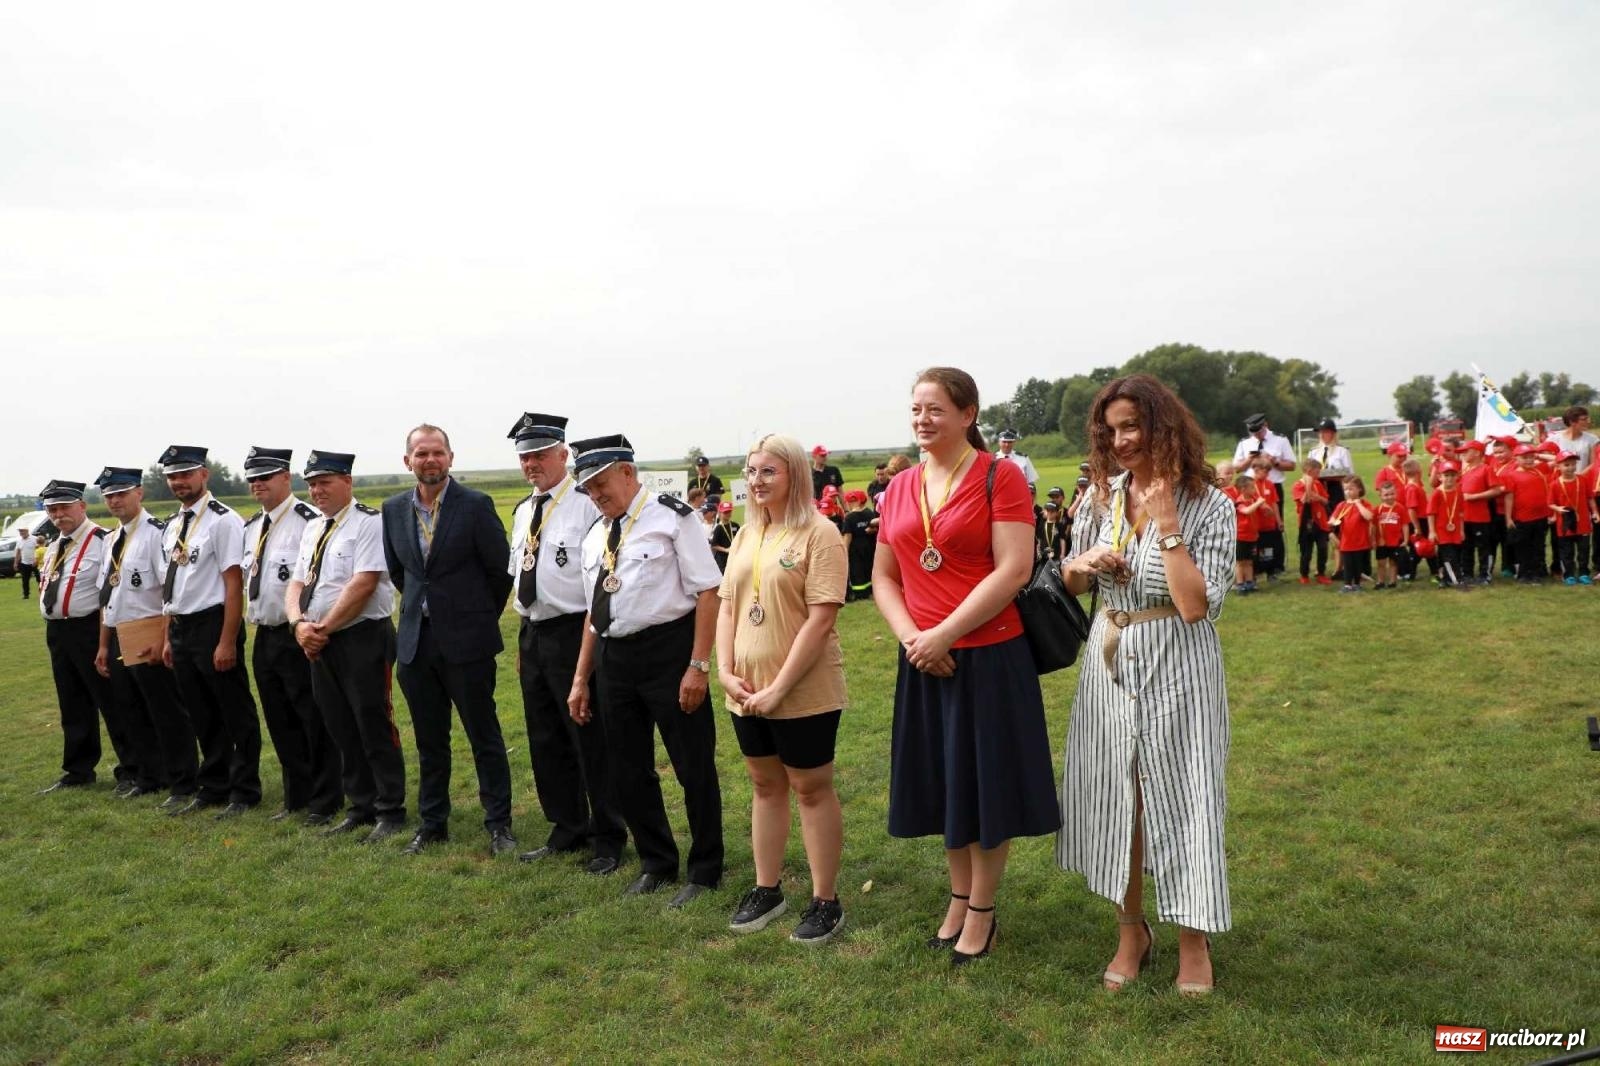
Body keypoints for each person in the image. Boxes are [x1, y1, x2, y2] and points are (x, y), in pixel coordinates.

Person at [873, 367, 1058, 967]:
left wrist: (944, 633)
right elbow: (883, 575)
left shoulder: (998, 477)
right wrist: (912, 639)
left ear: (968, 414)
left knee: (986, 787)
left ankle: (982, 909)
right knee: (946, 786)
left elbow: (1014, 569)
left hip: (987, 656)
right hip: (923, 660)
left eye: (936, 409)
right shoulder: (900, 486)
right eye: (916, 409)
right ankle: (958, 897)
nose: (923, 419)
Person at [1058, 373, 1235, 996]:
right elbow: (1071, 581)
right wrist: (1085, 562)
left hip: (1178, 665)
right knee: (1117, 802)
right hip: (1108, 664)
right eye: (1110, 430)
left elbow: (1195, 606)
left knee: (1186, 798)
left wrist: (1165, 523)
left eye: (1131, 425)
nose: (1121, 440)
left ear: (1163, 425)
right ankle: (1131, 932)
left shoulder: (1211, 505)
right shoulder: (1100, 499)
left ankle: (1193, 937)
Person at [567, 434, 725, 908]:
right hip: (614, 659)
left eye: (600, 483)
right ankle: (657, 861)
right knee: (628, 769)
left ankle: (705, 868)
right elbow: (593, 612)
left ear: (627, 472)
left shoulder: (672, 518)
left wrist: (698, 666)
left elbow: (708, 592)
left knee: (692, 765)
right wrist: (581, 677)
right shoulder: (595, 533)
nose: (596, 495)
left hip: (669, 652)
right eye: (588, 489)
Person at [716, 433, 849, 944]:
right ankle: (766, 888)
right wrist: (724, 670)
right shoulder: (749, 532)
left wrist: (779, 689)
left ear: (795, 474)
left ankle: (825, 900)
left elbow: (820, 620)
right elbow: (728, 604)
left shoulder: (820, 533)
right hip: (745, 689)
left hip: (803, 690)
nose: (756, 481)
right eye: (751, 471)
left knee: (810, 789)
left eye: (768, 471)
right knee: (764, 785)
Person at [382, 425, 517, 857]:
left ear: (451, 458)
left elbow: (500, 572)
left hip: (468, 644)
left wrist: (475, 619)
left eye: (437, 452)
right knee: (429, 740)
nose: (430, 460)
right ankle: (433, 824)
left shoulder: (476, 506)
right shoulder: (392, 509)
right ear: (408, 462)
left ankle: (499, 825)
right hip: (416, 646)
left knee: (485, 737)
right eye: (421, 454)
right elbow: (401, 574)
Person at [505, 413, 627, 874]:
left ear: (562, 454)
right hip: (534, 633)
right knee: (545, 738)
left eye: (540, 453)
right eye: (525, 456)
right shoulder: (522, 512)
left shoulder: (585, 505)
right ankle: (568, 827)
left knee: (589, 736)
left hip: (577, 630)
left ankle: (609, 836)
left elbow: (598, 584)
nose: (532, 463)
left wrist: (584, 660)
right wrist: (523, 645)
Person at [286, 450, 407, 843]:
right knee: (339, 724)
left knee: (373, 723)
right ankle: (361, 805)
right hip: (320, 642)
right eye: (312, 483)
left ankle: (391, 809)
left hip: (362, 638)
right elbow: (297, 583)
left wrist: (320, 627)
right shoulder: (312, 527)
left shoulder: (369, 523)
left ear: (348, 482)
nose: (318, 490)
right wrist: (297, 624)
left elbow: (365, 582)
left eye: (326, 481)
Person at [157, 445, 263, 818]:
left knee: (234, 711)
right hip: (182, 626)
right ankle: (214, 785)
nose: (178, 482)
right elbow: (172, 584)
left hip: (214, 623)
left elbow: (234, 584)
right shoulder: (172, 525)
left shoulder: (223, 520)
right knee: (201, 713)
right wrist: (170, 635)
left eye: (185, 474)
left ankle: (245, 789)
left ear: (204, 474)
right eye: (172, 476)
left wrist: (226, 640)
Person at [239, 447, 342, 826]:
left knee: (312, 718)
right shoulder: (251, 527)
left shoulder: (308, 521)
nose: (258, 484)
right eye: (253, 478)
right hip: (264, 635)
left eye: (265, 476)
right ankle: (296, 795)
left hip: (298, 633)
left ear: (286, 477)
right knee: (280, 719)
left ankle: (325, 798)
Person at [93, 466, 191, 803]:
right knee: (131, 710)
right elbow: (107, 596)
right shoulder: (110, 540)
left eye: (121, 493)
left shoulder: (157, 534)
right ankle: (150, 776)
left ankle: (182, 780)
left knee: (166, 712)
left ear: (140, 493)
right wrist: (104, 645)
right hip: (121, 634)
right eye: (109, 496)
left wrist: (164, 640)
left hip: (151, 632)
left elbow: (169, 592)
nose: (115, 501)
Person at [32, 479, 122, 794]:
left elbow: (107, 593)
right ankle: (78, 769)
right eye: (52, 509)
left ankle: (133, 767)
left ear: (82, 506)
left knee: (111, 700)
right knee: (72, 703)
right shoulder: (56, 544)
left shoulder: (103, 540)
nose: (58, 515)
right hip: (58, 632)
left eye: (64, 507)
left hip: (90, 629)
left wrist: (102, 642)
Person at [1232, 414, 1297, 519]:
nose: (1256, 435)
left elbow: (1292, 466)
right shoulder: (1244, 442)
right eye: (1253, 433)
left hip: (1273, 487)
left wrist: (1274, 461)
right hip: (1250, 488)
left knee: (1274, 521)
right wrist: (1249, 459)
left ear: (1265, 425)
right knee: (1253, 521)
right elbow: (1237, 468)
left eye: (1259, 432)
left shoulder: (1280, 439)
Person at [1502, 444, 1551, 583]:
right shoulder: (1511, 475)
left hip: (1541, 516)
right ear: (1516, 458)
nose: (1529, 460)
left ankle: (1537, 572)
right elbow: (1509, 497)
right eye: (1525, 458)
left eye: (1531, 457)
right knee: (1523, 546)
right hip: (1523, 517)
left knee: (1538, 545)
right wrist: (1508, 517)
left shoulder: (1539, 471)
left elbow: (1555, 460)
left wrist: (1540, 455)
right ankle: (1524, 573)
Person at [1549, 451, 1597, 584]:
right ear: (1558, 466)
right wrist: (1557, 509)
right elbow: (1550, 503)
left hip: (1583, 522)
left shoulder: (1582, 480)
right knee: (1566, 550)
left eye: (1573, 464)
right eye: (1566, 465)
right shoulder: (1555, 484)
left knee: (1584, 550)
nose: (1571, 467)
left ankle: (1583, 573)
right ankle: (1568, 574)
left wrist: (1595, 512)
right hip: (1564, 523)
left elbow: (1590, 498)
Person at [1457, 440, 1500, 583]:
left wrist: (1474, 497)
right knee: (1466, 546)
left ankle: (1484, 574)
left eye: (1466, 451)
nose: (1463, 454)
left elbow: (1496, 490)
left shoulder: (1486, 469)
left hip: (1480, 516)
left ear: (1476, 453)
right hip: (1464, 516)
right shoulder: (1464, 470)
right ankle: (1467, 573)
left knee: (1483, 547)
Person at [1428, 462, 1470, 588]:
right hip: (1442, 530)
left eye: (1452, 475)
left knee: (1456, 553)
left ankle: (1445, 579)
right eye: (1446, 475)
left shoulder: (1458, 492)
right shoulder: (1437, 493)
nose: (1449, 478)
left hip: (1455, 529)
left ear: (1457, 476)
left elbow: (1461, 513)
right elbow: (1431, 513)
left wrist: (1462, 530)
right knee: (1448, 555)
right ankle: (1456, 579)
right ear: (1440, 477)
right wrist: (1432, 531)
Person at [1330, 476, 1375, 592]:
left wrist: (1358, 504)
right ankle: (1347, 585)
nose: (1348, 492)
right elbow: (1333, 519)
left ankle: (1357, 584)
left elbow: (1369, 516)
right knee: (1348, 564)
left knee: (1358, 565)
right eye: (1345, 489)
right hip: (1346, 541)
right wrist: (1332, 522)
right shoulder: (1342, 505)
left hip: (1360, 541)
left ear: (1359, 489)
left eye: (1351, 489)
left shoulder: (1365, 504)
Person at [1293, 458, 1332, 584]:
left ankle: (1321, 573)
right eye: (1317, 472)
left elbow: (1326, 500)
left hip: (1321, 521)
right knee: (1306, 551)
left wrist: (1318, 497)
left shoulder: (1318, 484)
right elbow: (1305, 500)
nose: (1319, 474)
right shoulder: (1298, 485)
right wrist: (1308, 485)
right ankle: (1304, 574)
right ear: (1309, 471)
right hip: (1306, 523)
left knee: (1323, 548)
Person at [1248, 455, 1285, 581]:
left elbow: (1274, 503)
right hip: (1255, 524)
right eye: (1265, 471)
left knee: (1269, 549)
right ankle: (1253, 573)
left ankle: (1270, 572)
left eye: (1269, 471)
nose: (1267, 474)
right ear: (1256, 469)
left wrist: (1279, 521)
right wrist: (1262, 505)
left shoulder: (1269, 484)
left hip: (1269, 524)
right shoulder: (1249, 484)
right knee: (1255, 550)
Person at [839, 490, 879, 600]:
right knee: (869, 567)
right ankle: (872, 589)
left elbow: (847, 536)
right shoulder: (870, 513)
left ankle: (860, 593)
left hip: (855, 550)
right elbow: (875, 528)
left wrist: (844, 552)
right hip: (870, 547)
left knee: (857, 571)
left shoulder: (849, 518)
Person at [1372, 481, 1411, 589]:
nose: (1389, 497)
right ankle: (1380, 581)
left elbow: (1405, 525)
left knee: (1393, 562)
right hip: (1381, 541)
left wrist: (1406, 539)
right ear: (1380, 495)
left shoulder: (1400, 508)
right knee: (1381, 563)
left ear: (1396, 493)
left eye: (1392, 494)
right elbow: (1373, 526)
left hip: (1395, 541)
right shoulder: (1377, 510)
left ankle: (1392, 581)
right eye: (1386, 494)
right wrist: (1373, 540)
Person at [1308, 419, 1354, 507]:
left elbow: (1350, 473)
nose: (1321, 435)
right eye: (1320, 432)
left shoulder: (1342, 451)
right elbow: (1307, 472)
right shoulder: (1313, 452)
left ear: (1332, 433)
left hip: (1336, 489)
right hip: (1318, 488)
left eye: (1325, 432)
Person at [1229, 474, 1262, 593]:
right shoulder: (1239, 502)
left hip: (1252, 536)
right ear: (1243, 489)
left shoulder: (1252, 500)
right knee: (1240, 562)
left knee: (1249, 561)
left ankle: (1249, 582)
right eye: (1252, 487)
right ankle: (1240, 583)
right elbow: (1247, 511)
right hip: (1241, 537)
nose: (1254, 490)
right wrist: (1258, 502)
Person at [1553, 407, 1597, 473]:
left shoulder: (1592, 440)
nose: (1588, 422)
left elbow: (1594, 464)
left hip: (1584, 481)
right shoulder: (1554, 440)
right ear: (1572, 422)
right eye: (1584, 419)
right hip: (1561, 482)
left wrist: (1578, 478)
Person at [710, 500, 739, 572]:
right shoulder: (718, 528)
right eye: (725, 512)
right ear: (720, 513)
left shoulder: (735, 525)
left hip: (735, 556)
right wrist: (726, 550)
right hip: (723, 560)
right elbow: (714, 545)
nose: (728, 514)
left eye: (729, 511)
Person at [16, 520, 38, 599]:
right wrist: (15, 563)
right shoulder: (19, 541)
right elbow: (18, 552)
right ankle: (26, 595)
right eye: (20, 531)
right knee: (25, 580)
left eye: (22, 531)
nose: (21, 532)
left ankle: (42, 592)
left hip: (35, 563)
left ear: (27, 531)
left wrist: (36, 560)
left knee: (40, 579)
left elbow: (39, 549)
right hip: (24, 563)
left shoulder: (35, 539)